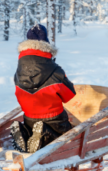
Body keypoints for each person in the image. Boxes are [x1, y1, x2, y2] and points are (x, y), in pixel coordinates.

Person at [10, 24, 76, 153]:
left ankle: (25, 133)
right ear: (46, 45)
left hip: (29, 119)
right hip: (55, 120)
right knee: (65, 135)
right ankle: (44, 134)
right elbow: (69, 96)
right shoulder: (55, 71)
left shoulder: (19, 72)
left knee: (33, 125)